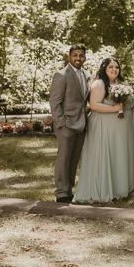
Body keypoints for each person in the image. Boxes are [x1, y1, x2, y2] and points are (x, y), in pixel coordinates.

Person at [75, 57, 134, 203]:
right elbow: (95, 105)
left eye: (117, 67)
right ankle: (102, 189)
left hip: (117, 131)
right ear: (104, 69)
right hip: (103, 128)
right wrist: (114, 109)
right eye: (111, 67)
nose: (115, 69)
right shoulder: (99, 83)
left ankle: (118, 189)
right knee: (105, 156)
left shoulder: (118, 84)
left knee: (116, 156)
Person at [50, 44, 90, 203]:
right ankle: (60, 193)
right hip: (66, 125)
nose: (78, 58)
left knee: (74, 160)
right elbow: (55, 102)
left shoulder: (87, 75)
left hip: (81, 124)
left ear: (84, 58)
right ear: (69, 57)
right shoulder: (61, 75)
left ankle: (69, 191)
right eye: (75, 55)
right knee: (63, 159)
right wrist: (62, 123)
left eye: (81, 55)